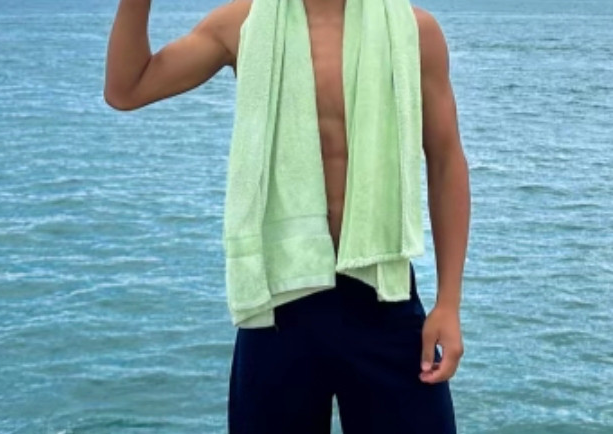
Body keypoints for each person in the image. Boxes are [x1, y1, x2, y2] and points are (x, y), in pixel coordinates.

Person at [104, 1, 471, 433]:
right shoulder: (243, 24)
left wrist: (448, 303)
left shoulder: (413, 31)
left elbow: (445, 160)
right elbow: (127, 89)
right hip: (278, 304)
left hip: (381, 295)